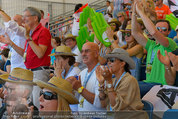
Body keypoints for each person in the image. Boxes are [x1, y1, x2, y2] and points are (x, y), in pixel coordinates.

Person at [0, 7, 52, 109]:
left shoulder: (43, 31)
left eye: (26, 16)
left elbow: (40, 53)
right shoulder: (31, 33)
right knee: (30, 105)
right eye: (23, 17)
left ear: (35, 18)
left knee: (38, 104)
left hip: (38, 72)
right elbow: (24, 54)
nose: (24, 19)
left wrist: (28, 37)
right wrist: (10, 43)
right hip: (30, 73)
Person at [131, 0, 177, 97]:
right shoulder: (151, 44)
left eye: (164, 29)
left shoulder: (170, 43)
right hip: (147, 83)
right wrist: (134, 14)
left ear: (169, 32)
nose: (160, 31)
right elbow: (135, 33)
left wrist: (141, 12)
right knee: (123, 85)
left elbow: (154, 33)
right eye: (158, 28)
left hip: (160, 86)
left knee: (128, 88)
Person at [95, 48, 148, 118]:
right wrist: (101, 84)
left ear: (122, 63)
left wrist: (108, 81)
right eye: (108, 61)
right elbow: (103, 104)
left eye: (112, 60)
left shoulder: (130, 80)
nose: (108, 63)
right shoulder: (113, 80)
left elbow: (116, 106)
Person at [68, 42, 106, 111]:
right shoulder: (82, 72)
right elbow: (78, 97)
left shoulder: (102, 71)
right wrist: (72, 88)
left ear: (96, 54)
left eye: (87, 51)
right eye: (82, 51)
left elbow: (100, 103)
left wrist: (80, 88)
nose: (83, 54)